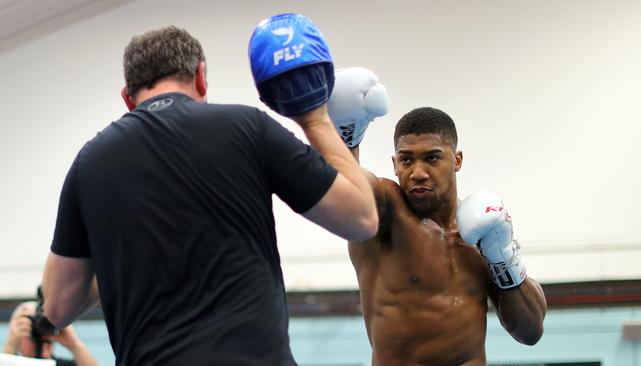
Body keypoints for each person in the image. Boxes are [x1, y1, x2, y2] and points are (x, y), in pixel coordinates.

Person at [41, 17, 377, 366]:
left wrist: (122, 258)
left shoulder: (90, 162)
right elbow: (362, 217)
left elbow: (57, 306)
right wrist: (315, 118)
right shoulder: (248, 128)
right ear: (201, 77)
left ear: (128, 98)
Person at [327, 67, 547, 365]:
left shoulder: (480, 234)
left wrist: (504, 258)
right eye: (406, 160)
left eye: (432, 158)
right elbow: (345, 187)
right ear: (395, 164)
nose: (417, 173)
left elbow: (530, 332)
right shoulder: (386, 214)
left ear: (456, 160)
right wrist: (344, 136)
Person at [3, 302, 98, 366]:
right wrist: (10, 349)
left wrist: (74, 345)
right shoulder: (9, 361)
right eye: (30, 322)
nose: (36, 329)